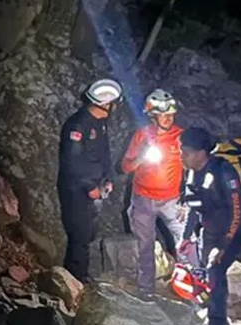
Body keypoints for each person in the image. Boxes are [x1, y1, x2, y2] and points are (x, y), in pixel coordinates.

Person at [120, 89, 188, 297]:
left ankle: (188, 286)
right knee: (145, 244)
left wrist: (188, 200)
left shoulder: (181, 136)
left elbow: (193, 169)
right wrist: (141, 157)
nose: (169, 118)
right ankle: (146, 290)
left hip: (172, 200)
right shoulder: (141, 136)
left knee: (186, 242)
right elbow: (125, 167)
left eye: (171, 115)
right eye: (164, 115)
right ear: (153, 115)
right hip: (143, 199)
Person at [180, 126, 241, 325]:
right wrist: (186, 236)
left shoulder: (224, 172)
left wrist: (223, 246)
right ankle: (216, 317)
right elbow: (193, 206)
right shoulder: (191, 173)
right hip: (208, 230)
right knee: (206, 273)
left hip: (233, 232)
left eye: (186, 152)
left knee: (215, 271)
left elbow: (238, 212)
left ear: (201, 153)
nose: (182, 156)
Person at [57, 78, 122, 281]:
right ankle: (75, 280)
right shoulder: (77, 125)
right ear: (103, 104)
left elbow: (104, 154)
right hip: (76, 190)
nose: (114, 107)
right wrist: (89, 186)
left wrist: (108, 178)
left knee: (89, 233)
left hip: (95, 188)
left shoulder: (100, 124)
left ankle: (79, 277)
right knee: (79, 237)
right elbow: (72, 161)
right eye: (112, 103)